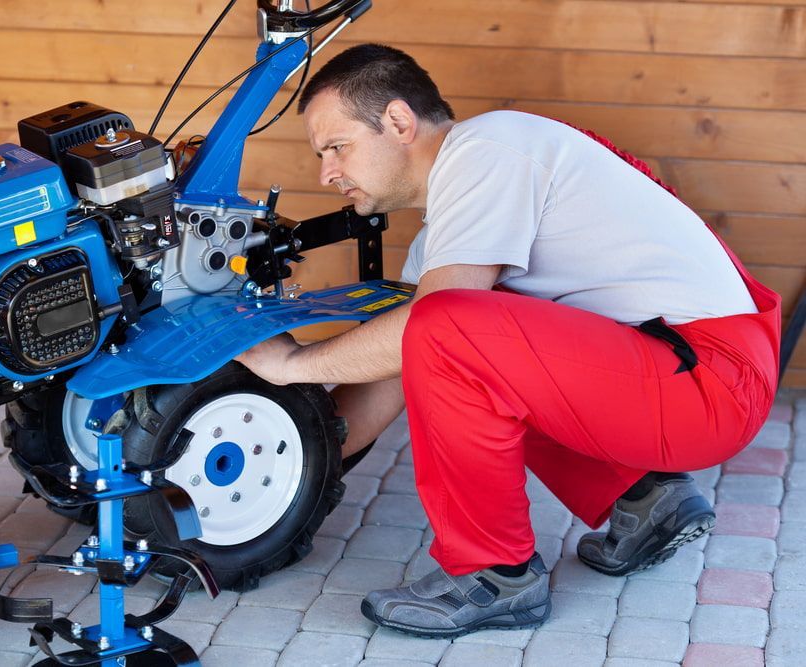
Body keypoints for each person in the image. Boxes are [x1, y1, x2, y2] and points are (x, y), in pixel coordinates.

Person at [236, 43, 781, 638]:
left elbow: (430, 333)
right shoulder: (449, 230)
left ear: (397, 121)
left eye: (336, 147)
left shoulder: (489, 149)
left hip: (709, 380)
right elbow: (391, 376)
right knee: (455, 333)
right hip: (681, 372)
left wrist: (293, 365)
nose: (326, 174)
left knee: (446, 326)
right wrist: (273, 473)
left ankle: (495, 576)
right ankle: (646, 498)